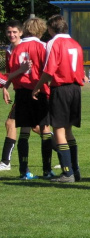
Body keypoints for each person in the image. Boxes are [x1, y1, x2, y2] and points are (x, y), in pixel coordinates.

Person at [32, 14, 88, 183]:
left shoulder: (54, 43)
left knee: (58, 130)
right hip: (75, 89)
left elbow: (49, 70)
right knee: (68, 130)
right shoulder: (75, 43)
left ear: (51, 29)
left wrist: (37, 87)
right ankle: (75, 171)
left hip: (61, 88)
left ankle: (67, 173)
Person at [8, 17, 55, 180]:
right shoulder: (42, 46)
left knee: (24, 132)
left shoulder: (16, 49)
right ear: (41, 30)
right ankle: (47, 170)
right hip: (39, 91)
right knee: (45, 130)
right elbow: (47, 70)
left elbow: (12, 73)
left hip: (21, 93)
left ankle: (23, 171)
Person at [0, 20, 25, 171]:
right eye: (9, 32)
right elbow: (10, 73)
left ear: (21, 33)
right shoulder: (9, 50)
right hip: (20, 91)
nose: (12, 35)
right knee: (37, 127)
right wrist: (5, 87)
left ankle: (5, 162)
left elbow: (25, 70)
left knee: (11, 123)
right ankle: (63, 152)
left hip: (29, 91)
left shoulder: (26, 48)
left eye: (15, 32)